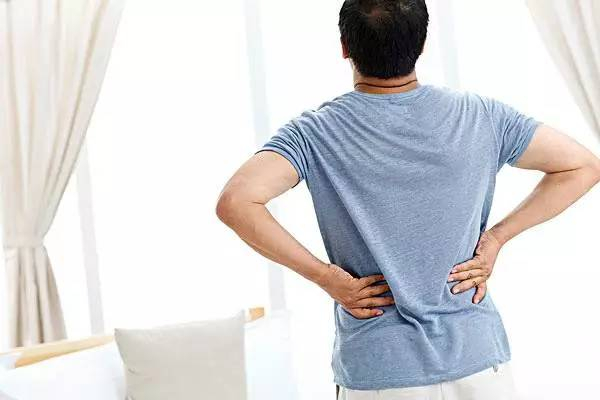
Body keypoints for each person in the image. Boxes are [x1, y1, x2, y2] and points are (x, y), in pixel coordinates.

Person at [216, 0, 600, 398]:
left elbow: (236, 202)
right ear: (422, 42)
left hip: (382, 369)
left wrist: (326, 277)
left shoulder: (314, 133)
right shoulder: (480, 116)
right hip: (479, 366)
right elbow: (582, 166)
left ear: (345, 46)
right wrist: (498, 237)